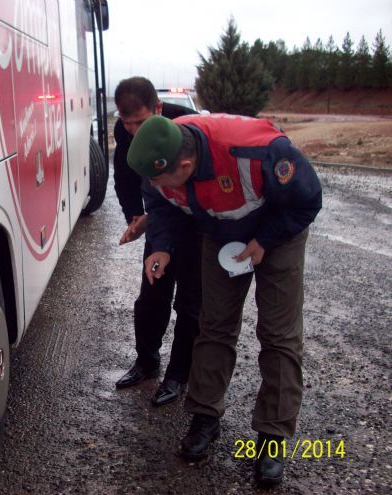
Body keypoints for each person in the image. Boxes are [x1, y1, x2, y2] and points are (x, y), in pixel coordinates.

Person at [127, 114, 322, 487]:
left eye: (158, 178)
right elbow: (161, 204)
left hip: (277, 233)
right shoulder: (159, 162)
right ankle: (205, 415)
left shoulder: (261, 153)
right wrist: (164, 248)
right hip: (219, 232)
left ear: (185, 165)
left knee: (278, 335)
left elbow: (307, 201)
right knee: (214, 325)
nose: (151, 184)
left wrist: (265, 240)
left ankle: (273, 438)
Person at [113, 76, 202, 407]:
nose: (135, 130)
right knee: (151, 295)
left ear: (159, 109)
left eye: (142, 121)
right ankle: (147, 361)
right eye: (128, 122)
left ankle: (179, 375)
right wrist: (135, 216)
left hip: (197, 223)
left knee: (191, 303)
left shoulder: (186, 129)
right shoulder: (125, 132)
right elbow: (124, 175)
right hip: (161, 218)